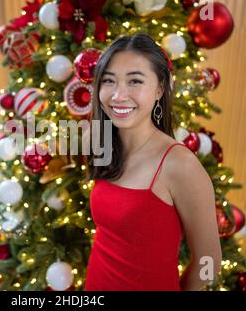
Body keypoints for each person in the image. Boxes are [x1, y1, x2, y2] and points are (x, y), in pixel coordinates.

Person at [85, 33, 222, 291]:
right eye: (109, 81)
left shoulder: (179, 164)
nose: (118, 95)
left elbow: (209, 261)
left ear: (159, 89)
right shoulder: (104, 144)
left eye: (135, 81)